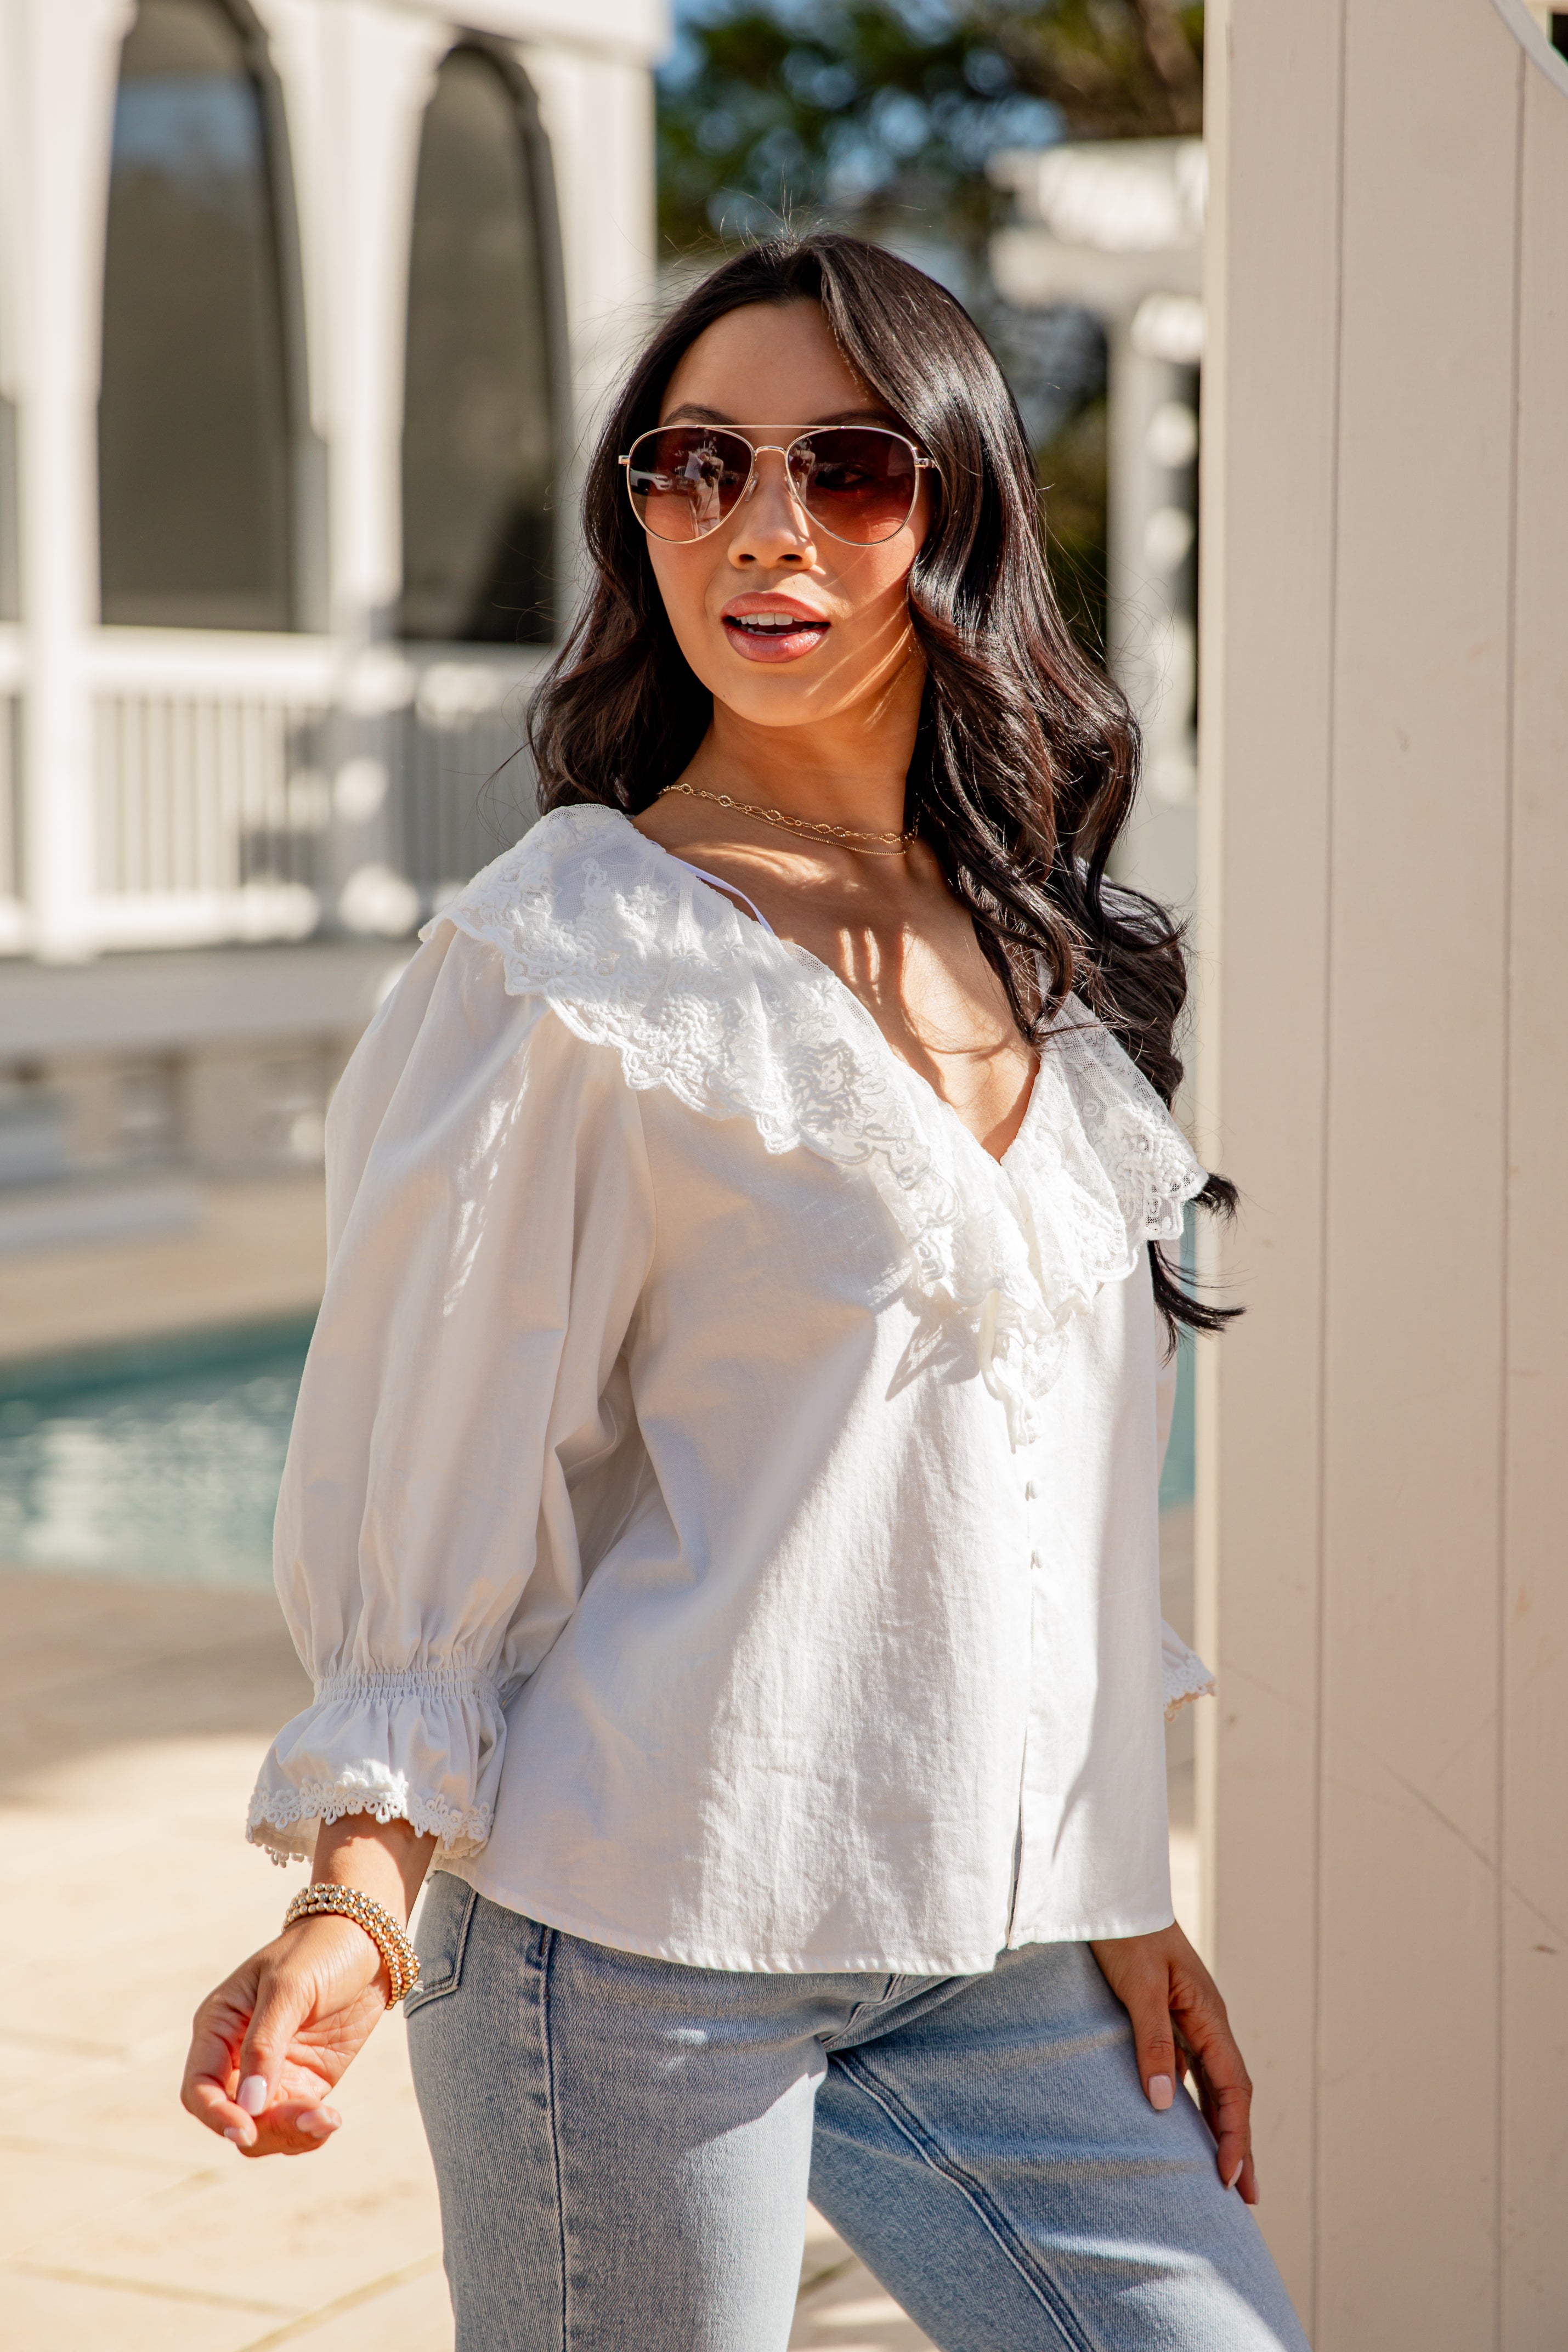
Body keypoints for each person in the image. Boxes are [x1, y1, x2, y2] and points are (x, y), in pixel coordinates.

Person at [181, 234, 1310, 2352]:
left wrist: (1120, 1886)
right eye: (694, 465)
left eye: (849, 470)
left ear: (959, 511)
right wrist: (355, 1892)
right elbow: (434, 1478)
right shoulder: (562, 957)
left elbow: (1053, 1494)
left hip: (1006, 1964)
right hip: (631, 1948)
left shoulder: (1047, 957)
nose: (759, 530)